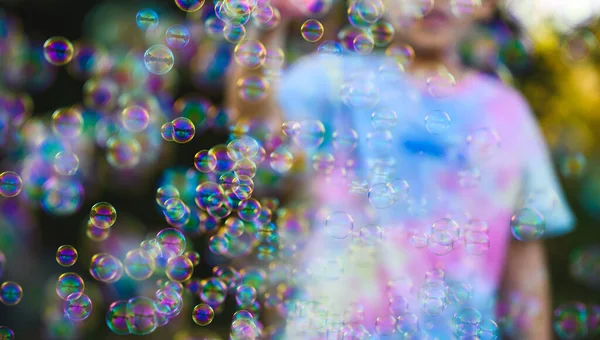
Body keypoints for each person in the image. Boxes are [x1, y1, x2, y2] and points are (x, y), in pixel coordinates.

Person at [226, 0, 575, 338]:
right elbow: (258, 127)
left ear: (485, 4)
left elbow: (525, 261)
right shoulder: (333, 81)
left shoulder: (506, 113)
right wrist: (267, 25)